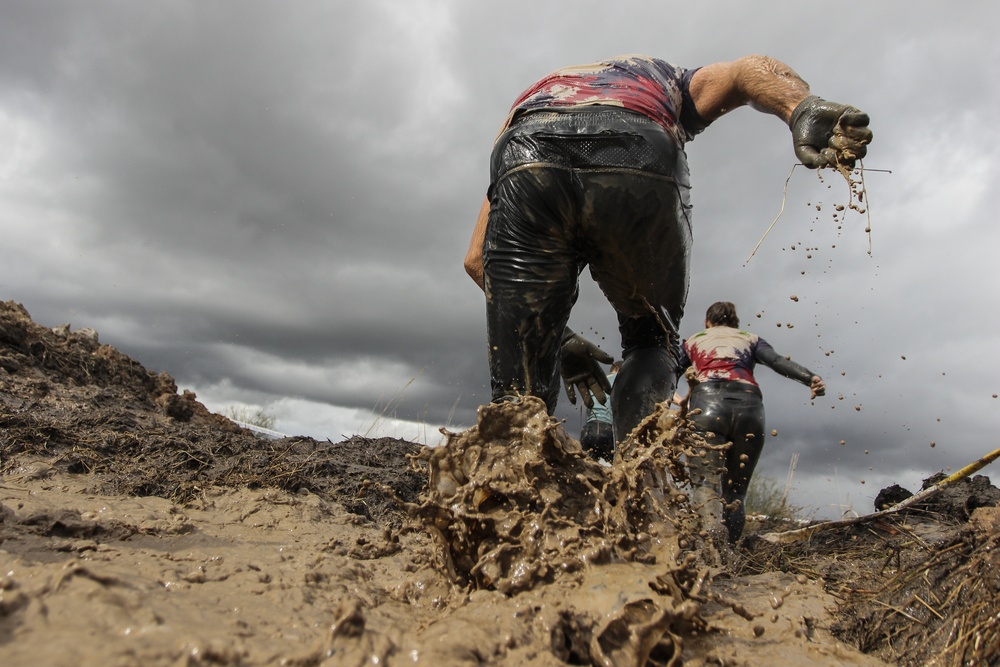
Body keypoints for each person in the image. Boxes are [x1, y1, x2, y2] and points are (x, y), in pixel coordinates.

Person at [463, 54, 870, 448]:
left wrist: (561, 340)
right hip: (637, 146)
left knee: (521, 395)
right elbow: (749, 70)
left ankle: (512, 485)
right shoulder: (661, 75)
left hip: (526, 153)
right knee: (651, 340)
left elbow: (478, 262)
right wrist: (800, 107)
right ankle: (636, 482)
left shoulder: (531, 101)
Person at [673, 301, 825, 542]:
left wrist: (675, 399)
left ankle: (711, 552)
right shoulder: (751, 338)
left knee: (706, 486)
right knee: (736, 492)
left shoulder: (693, 340)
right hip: (750, 409)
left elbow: (670, 371)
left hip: (706, 407)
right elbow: (775, 361)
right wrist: (810, 378)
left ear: (707, 322)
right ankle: (731, 552)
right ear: (735, 323)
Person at [581, 359, 622, 461]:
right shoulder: (620, 381)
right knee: (619, 470)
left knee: (586, 469)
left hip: (588, 430)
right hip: (607, 430)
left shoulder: (598, 382)